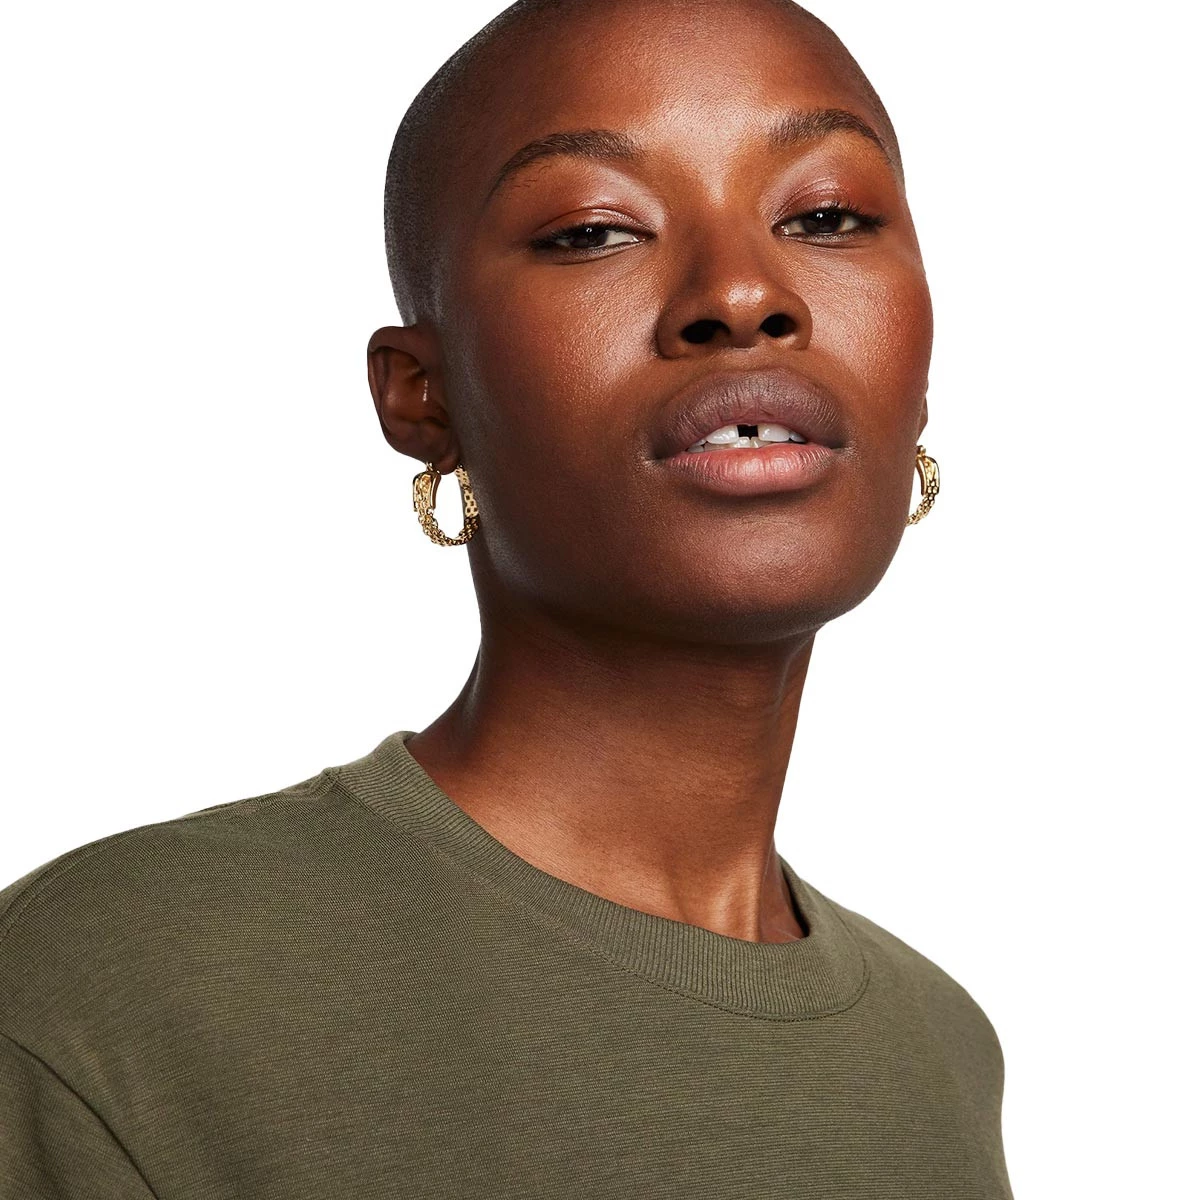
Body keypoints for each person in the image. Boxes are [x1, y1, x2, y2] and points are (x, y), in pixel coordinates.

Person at [0, 0, 1011, 1196]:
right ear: (420, 396)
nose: (744, 293)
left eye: (827, 216)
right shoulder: (108, 997)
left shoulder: (939, 1052)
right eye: (593, 231)